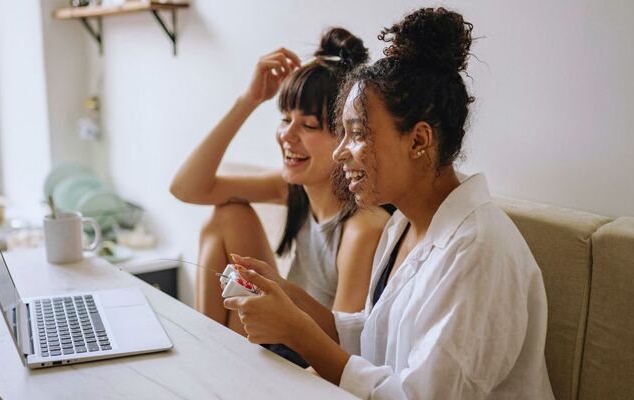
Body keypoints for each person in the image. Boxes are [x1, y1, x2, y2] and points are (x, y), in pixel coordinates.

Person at [223, 7, 555, 399]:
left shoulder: (478, 252)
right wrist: (284, 293)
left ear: (419, 141)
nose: (341, 153)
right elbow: (369, 336)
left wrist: (298, 334)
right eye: (341, 134)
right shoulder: (403, 225)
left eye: (357, 133)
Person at [170, 28, 390, 365]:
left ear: (346, 137)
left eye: (309, 125)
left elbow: (343, 346)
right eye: (286, 118)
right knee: (228, 216)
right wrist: (249, 100)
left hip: (310, 353)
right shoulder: (292, 189)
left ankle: (208, 360)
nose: (287, 134)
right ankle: (205, 355)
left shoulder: (363, 225)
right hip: (278, 336)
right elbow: (186, 188)